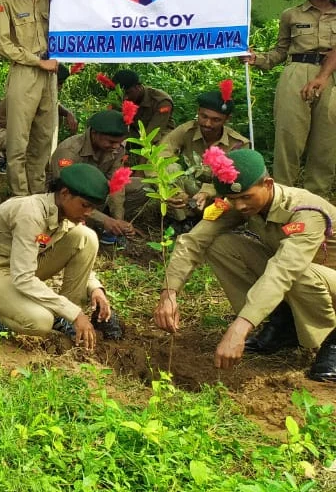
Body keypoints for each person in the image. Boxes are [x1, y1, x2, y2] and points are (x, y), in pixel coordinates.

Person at [153, 148, 336, 382]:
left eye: (246, 197)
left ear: (268, 184)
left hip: (321, 280)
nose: (239, 206)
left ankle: (330, 340)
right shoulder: (242, 204)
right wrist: (169, 292)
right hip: (303, 280)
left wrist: (240, 327)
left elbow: (283, 271)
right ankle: (283, 322)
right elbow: (194, 240)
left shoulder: (306, 212)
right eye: (233, 199)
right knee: (221, 245)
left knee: (297, 272)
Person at [0, 163, 124, 350]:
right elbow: (23, 278)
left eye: (93, 207)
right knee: (41, 321)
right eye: (85, 205)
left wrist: (96, 289)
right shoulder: (31, 214)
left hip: (21, 265)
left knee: (86, 237)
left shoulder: (63, 214)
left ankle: (64, 317)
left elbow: (75, 251)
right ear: (64, 193)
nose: (89, 213)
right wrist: (75, 314)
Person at [247, 0, 336, 194]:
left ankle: (315, 202)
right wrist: (257, 59)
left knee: (327, 143)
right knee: (289, 139)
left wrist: (322, 77)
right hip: (296, 73)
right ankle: (283, 196)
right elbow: (280, 51)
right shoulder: (291, 14)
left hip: (330, 78)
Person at [0, 0, 58, 196]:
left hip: (50, 74)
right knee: (18, 140)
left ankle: (39, 196)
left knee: (44, 139)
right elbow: (1, 44)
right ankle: (20, 199)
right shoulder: (5, 1)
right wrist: (35, 61)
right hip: (25, 72)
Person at [158, 81, 249, 229]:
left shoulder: (238, 143)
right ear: (198, 111)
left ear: (227, 119)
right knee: (168, 168)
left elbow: (238, 181)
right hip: (190, 192)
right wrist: (174, 191)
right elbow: (160, 154)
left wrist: (208, 192)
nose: (207, 123)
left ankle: (218, 224)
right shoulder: (187, 130)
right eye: (203, 116)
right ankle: (182, 220)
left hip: (220, 193)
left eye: (216, 120)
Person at [49, 110, 146, 243]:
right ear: (94, 134)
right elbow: (65, 194)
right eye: (111, 142)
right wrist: (104, 220)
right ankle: (90, 223)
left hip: (96, 195)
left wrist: (118, 219)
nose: (116, 147)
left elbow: (116, 185)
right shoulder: (69, 151)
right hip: (70, 199)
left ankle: (105, 226)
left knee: (143, 185)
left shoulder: (116, 149)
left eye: (120, 142)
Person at [0, 63, 79, 172]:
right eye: (58, 83)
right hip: (0, 132)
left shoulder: (42, 93)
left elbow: (55, 106)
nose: (60, 87)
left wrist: (68, 114)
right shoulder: (26, 92)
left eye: (61, 84)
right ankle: (3, 157)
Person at [111, 69, 175, 139]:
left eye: (128, 93)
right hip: (134, 136)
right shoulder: (120, 99)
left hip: (159, 138)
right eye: (121, 94)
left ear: (138, 87)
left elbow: (153, 135)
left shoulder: (161, 102)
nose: (125, 98)